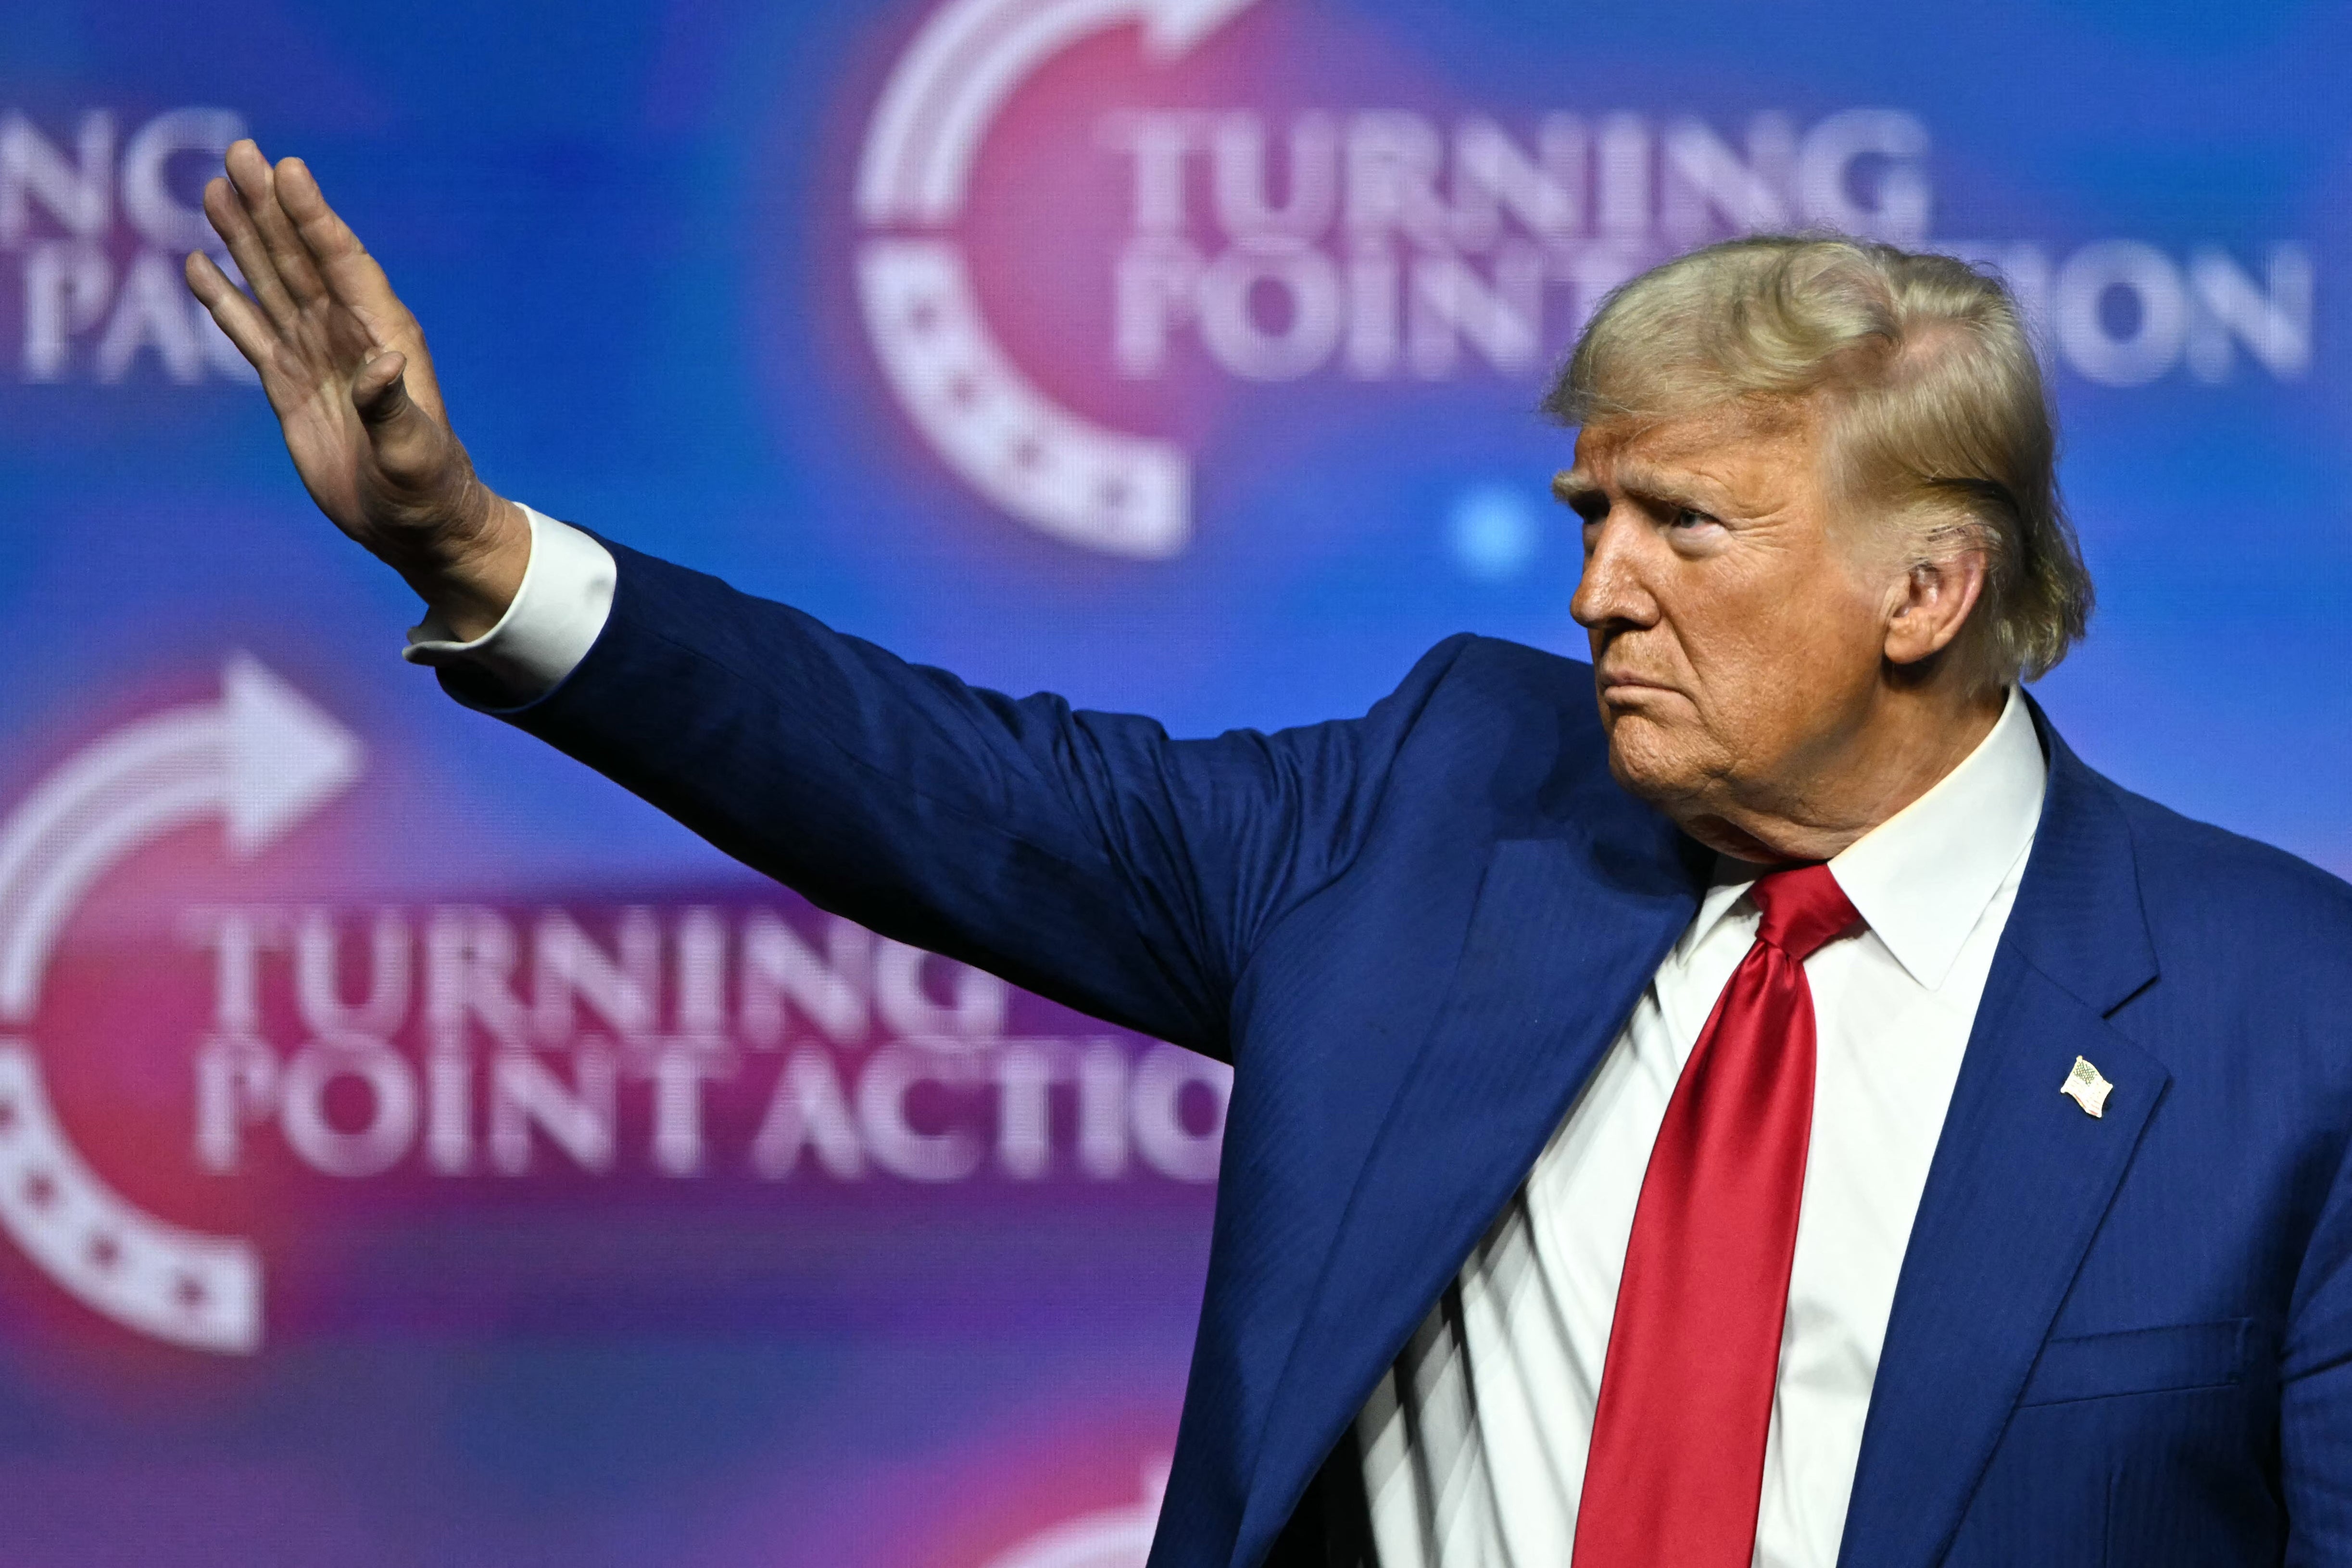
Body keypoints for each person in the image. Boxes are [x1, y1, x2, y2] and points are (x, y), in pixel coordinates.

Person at [185, 138, 2352, 1568]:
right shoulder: (1434, 807)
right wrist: (477, 552)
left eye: (1681, 525)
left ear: (1924, 590)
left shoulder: (2281, 1023)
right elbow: (939, 783)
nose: (1594, 590)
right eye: (1589, 513)